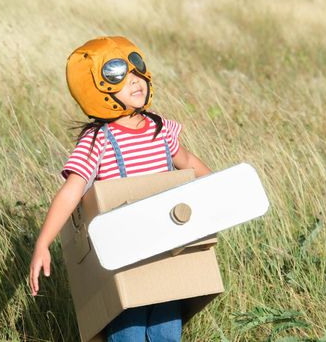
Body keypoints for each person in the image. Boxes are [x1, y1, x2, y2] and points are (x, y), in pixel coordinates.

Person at [29, 36, 212, 341]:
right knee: (129, 333)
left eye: (136, 69)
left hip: (169, 251)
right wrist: (42, 243)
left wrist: (221, 191)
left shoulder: (161, 128)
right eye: (117, 76)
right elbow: (71, 191)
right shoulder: (98, 140)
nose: (135, 80)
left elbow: (188, 162)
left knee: (167, 332)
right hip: (125, 257)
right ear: (96, 90)